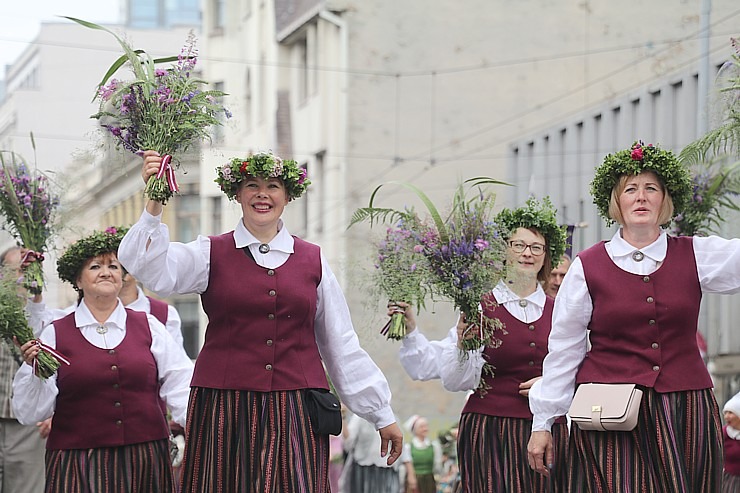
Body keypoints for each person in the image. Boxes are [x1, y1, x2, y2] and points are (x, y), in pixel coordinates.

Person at [117, 150, 404, 492]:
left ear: (287, 196)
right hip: (223, 406)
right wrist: (154, 200)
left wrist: (380, 413)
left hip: (295, 407)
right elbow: (146, 267)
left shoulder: (312, 260)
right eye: (252, 185)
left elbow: (340, 343)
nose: (262, 194)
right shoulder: (209, 253)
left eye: (272, 186)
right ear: (237, 194)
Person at [527, 141, 740, 492]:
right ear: (617, 202)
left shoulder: (696, 253)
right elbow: (564, 348)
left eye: (651, 189)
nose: (641, 197)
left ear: (664, 200)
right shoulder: (587, 266)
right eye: (631, 189)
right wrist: (543, 422)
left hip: (684, 409)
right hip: (610, 411)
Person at [396, 198, 569, 492]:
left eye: (536, 247)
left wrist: (554, 380)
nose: (527, 253)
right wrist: (462, 346)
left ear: (545, 257)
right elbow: (455, 379)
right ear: (504, 252)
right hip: (491, 432)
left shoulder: (562, 310)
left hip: (549, 429)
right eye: (519, 245)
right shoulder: (481, 305)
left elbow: (581, 363)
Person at [12, 228, 194, 493]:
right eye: (95, 266)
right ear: (78, 280)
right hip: (78, 463)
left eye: (114, 266)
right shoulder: (55, 332)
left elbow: (180, 382)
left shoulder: (149, 326)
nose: (107, 272)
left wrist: (203, 427)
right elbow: (30, 412)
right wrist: (35, 371)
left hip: (145, 459)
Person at [0, 247, 45, 493]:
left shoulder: (44, 317)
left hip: (27, 427)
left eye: (26, 270)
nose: (20, 277)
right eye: (15, 270)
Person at [340, 412, 402, 493]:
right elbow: (348, 442)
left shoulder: (391, 417)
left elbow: (399, 445)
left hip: (386, 469)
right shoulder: (359, 417)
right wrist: (343, 418)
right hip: (364, 469)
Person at [402, 415, 441, 493]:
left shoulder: (433, 446)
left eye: (426, 426)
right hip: (414, 480)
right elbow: (407, 464)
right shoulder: (409, 447)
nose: (425, 429)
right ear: (415, 430)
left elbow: (437, 466)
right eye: (422, 427)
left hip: (429, 480)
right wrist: (411, 478)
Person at [724, 392, 740, 492]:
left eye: (730, 413)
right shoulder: (723, 433)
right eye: (725, 413)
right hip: (730, 481)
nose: (726, 417)